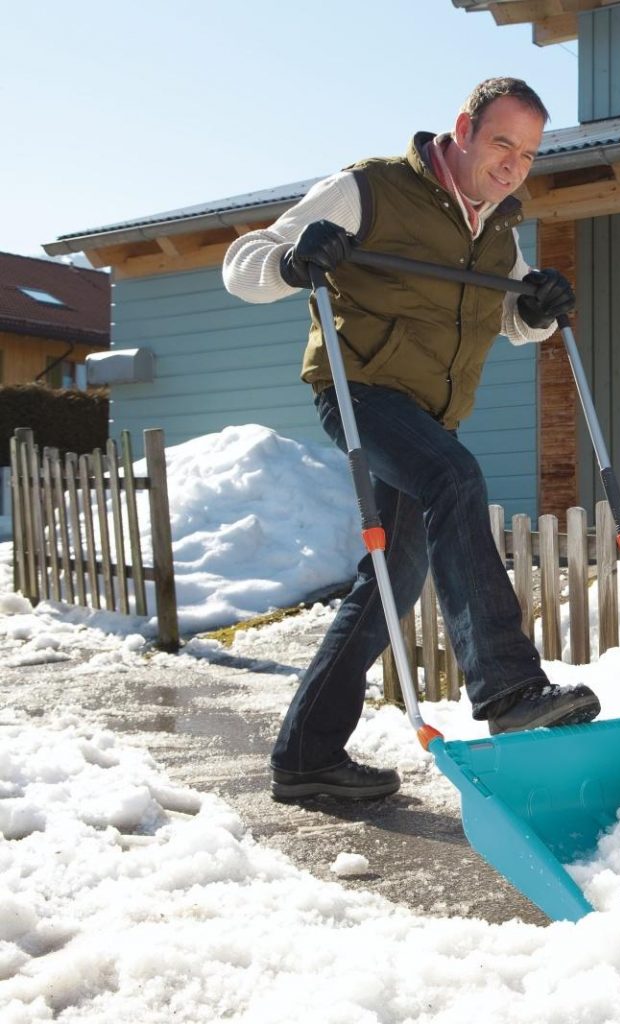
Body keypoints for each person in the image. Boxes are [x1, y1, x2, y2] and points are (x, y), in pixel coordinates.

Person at [224, 77, 599, 802]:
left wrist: (543, 305)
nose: (512, 165)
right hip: (359, 390)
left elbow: (516, 319)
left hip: (428, 417)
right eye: (501, 143)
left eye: (526, 154)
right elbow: (245, 262)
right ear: (463, 127)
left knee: (391, 582)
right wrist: (296, 258)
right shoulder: (369, 189)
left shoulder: (496, 229)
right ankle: (509, 688)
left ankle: (306, 759)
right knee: (454, 478)